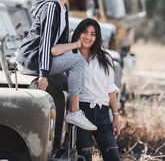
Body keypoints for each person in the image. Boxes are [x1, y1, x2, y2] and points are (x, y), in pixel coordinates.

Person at [16, 0, 97, 131]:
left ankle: (67, 125)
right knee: (77, 62)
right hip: (33, 60)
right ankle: (74, 113)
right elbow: (46, 43)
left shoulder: (63, 7)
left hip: (43, 59)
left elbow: (59, 45)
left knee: (73, 86)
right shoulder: (51, 7)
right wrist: (44, 74)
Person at [51, 18, 121, 161]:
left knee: (113, 157)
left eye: (93, 34)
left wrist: (116, 116)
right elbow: (53, 52)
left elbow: (110, 89)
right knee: (85, 157)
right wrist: (75, 44)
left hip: (102, 114)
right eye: (84, 32)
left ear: (97, 37)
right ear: (78, 33)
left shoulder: (105, 58)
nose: (88, 37)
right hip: (81, 112)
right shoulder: (70, 57)